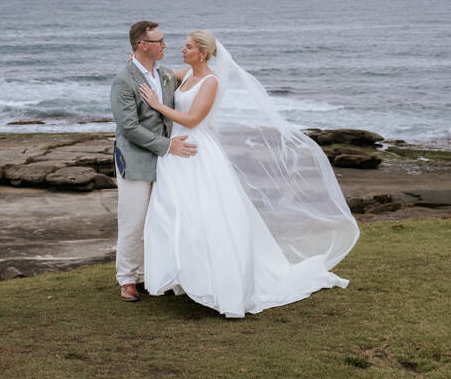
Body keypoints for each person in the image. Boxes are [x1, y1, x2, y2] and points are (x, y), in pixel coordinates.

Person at [139, 30, 359, 318]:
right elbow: (162, 74)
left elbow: (193, 120)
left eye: (189, 46)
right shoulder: (186, 75)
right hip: (175, 152)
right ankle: (184, 275)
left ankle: (218, 282)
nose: (183, 49)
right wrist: (141, 59)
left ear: (203, 53)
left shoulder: (210, 82)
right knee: (173, 212)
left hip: (196, 151)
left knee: (205, 214)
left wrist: (158, 106)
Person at [110, 21, 197, 303]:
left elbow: (200, 73)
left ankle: (151, 274)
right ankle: (127, 279)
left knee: (158, 221)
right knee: (133, 222)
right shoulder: (124, 79)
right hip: (135, 160)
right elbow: (129, 127)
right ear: (142, 45)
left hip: (165, 163)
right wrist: (168, 145)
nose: (165, 45)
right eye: (159, 41)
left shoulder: (164, 75)